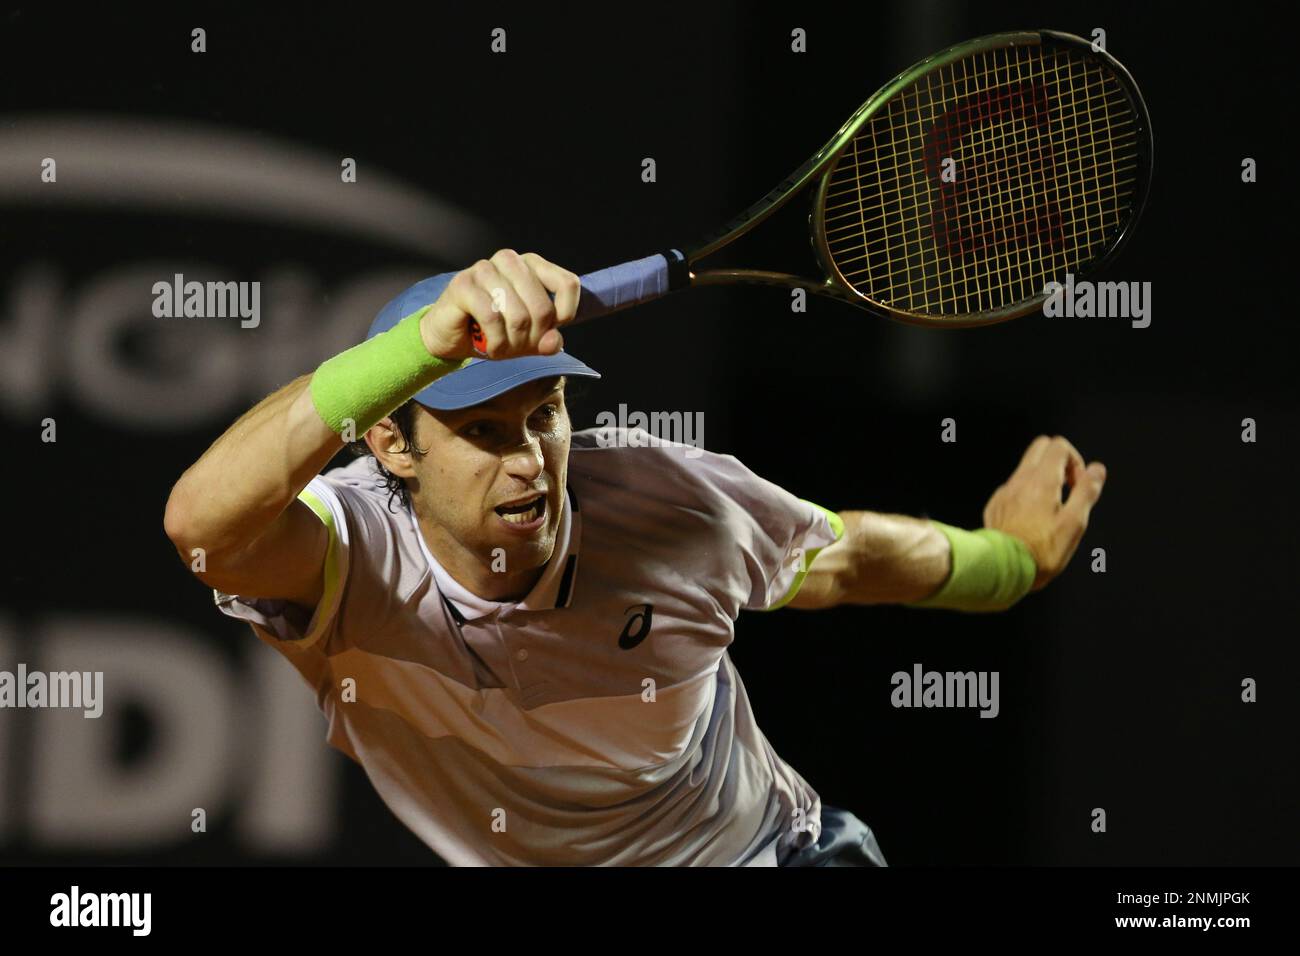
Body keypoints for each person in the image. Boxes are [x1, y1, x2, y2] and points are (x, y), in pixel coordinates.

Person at [164, 249, 1106, 866]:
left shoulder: (672, 507)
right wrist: (421, 346)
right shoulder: (351, 554)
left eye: (545, 415)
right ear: (393, 447)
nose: (531, 457)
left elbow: (849, 558)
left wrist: (1007, 563)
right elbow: (201, 528)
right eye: (484, 430)